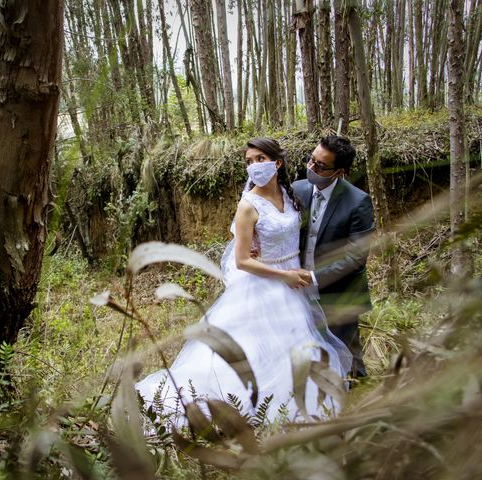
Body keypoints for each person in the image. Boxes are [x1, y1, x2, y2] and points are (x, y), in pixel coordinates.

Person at [136, 138, 352, 422]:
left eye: (260, 159)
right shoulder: (248, 206)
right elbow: (242, 261)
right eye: (249, 162)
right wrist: (285, 275)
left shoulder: (291, 195)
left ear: (277, 162)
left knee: (292, 347)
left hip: (293, 287)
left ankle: (290, 402)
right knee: (254, 347)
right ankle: (243, 403)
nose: (254, 166)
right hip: (264, 284)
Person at [292, 135, 374, 379]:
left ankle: (359, 403)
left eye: (320, 166)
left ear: (339, 172)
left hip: (340, 293)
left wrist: (314, 278)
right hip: (296, 290)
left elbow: (356, 257)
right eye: (311, 160)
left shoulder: (358, 202)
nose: (311, 168)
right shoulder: (297, 190)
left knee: (348, 358)